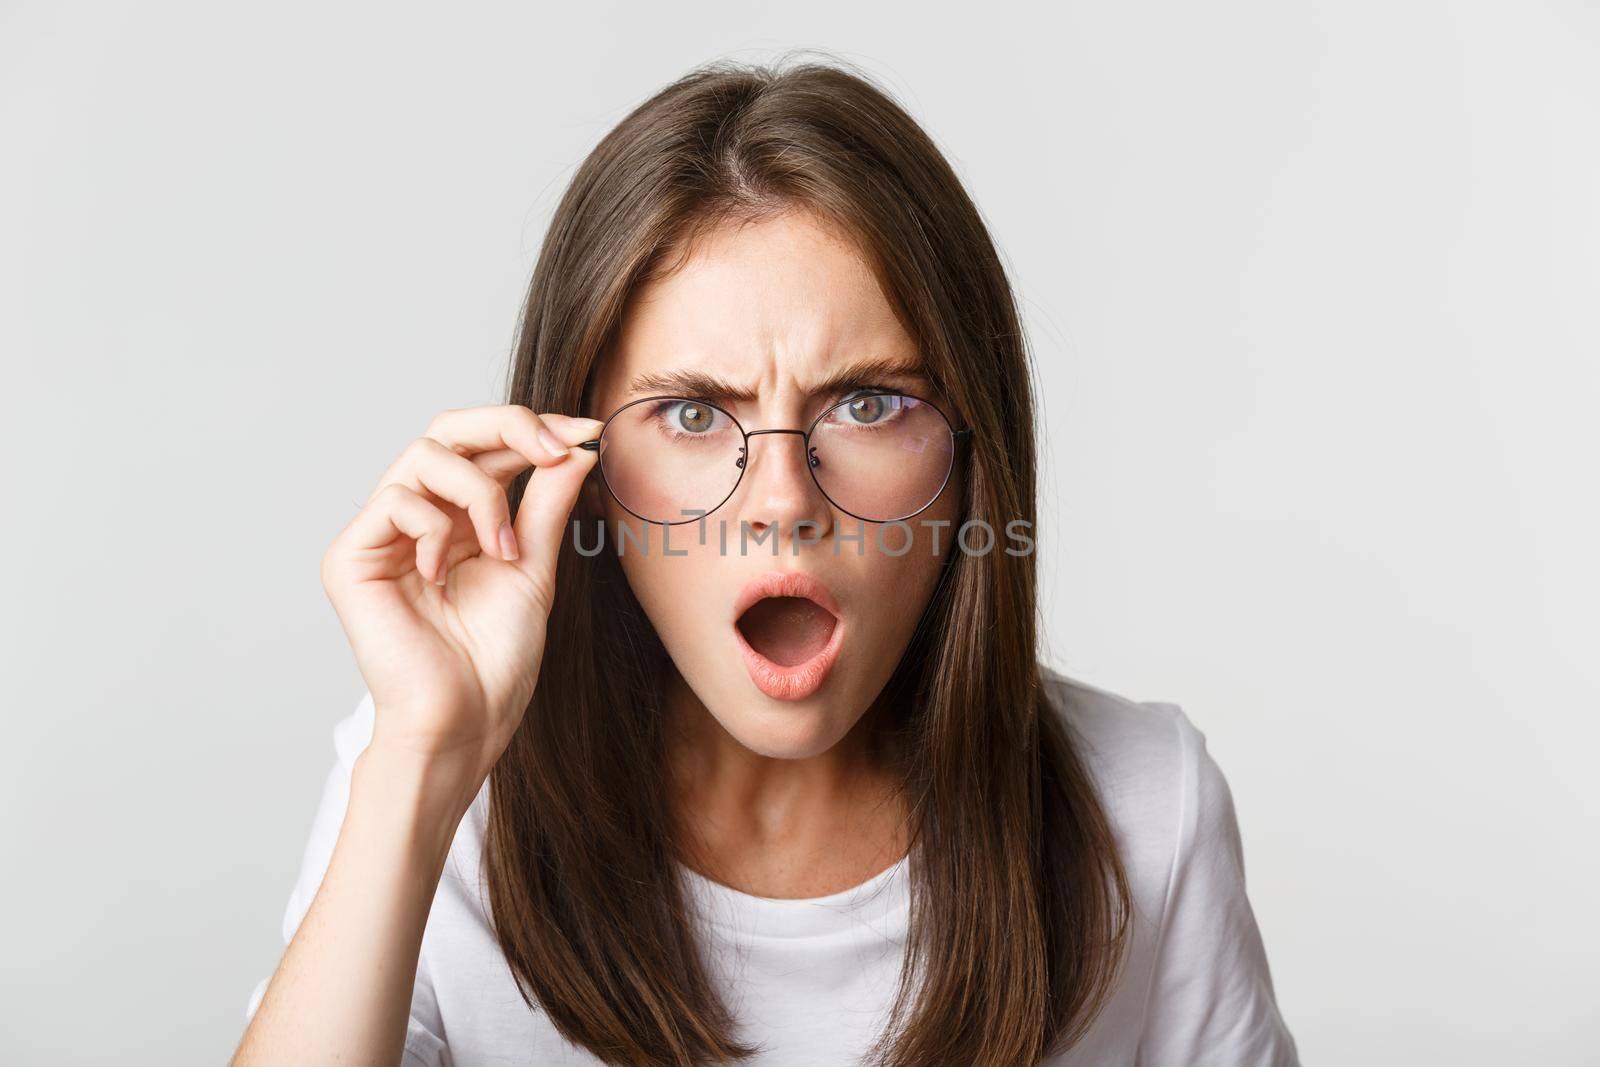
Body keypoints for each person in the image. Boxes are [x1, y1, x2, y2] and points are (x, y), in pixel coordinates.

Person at [231, 57, 1299, 1066]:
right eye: (694, 413)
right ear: (578, 470)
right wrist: (419, 762)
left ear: (974, 461)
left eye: (868, 404)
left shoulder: (1146, 806)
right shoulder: (437, 784)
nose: (782, 504)